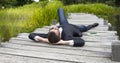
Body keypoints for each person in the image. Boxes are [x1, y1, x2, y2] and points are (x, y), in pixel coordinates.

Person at [28, 8, 99, 47]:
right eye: (55, 29)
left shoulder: (48, 35)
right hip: (75, 28)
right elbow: (81, 42)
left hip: (64, 23)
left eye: (52, 29)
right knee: (85, 28)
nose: (54, 27)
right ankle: (93, 25)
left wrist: (44, 40)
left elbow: (31, 35)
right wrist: (63, 42)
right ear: (59, 36)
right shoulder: (67, 37)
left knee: (60, 9)